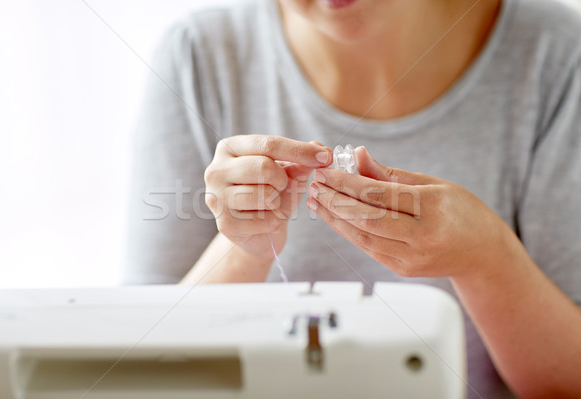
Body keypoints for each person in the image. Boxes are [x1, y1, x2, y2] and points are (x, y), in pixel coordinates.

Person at [127, 0, 581, 397]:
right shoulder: (198, 56)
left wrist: (485, 256)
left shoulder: (556, 55)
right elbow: (140, 367)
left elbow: (567, 382)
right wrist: (244, 248)